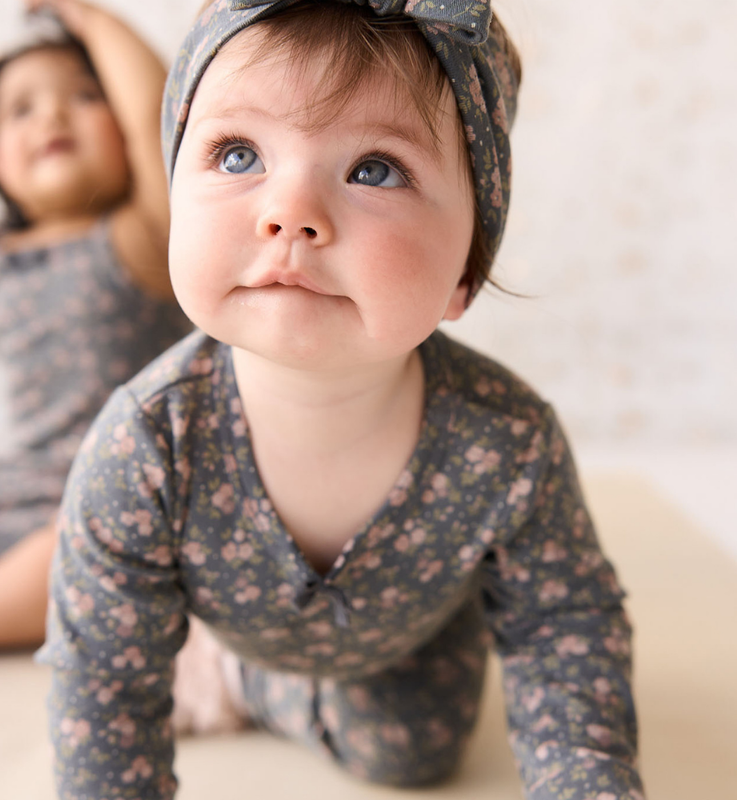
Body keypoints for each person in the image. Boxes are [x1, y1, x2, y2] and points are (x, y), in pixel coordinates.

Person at [39, 1, 645, 798]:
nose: (291, 212)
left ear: (464, 270)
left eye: (374, 170)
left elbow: (566, 630)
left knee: (415, 753)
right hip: (229, 618)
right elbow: (101, 682)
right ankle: (225, 666)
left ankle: (259, 687)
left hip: (412, 638)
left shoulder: (508, 442)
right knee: (119, 658)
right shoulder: (147, 442)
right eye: (236, 154)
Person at [0, 0, 191, 653]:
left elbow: (155, 117)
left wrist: (92, 20)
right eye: (20, 109)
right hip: (2, 488)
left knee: (94, 547)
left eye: (83, 96)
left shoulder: (143, 238)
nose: (50, 114)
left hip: (118, 492)